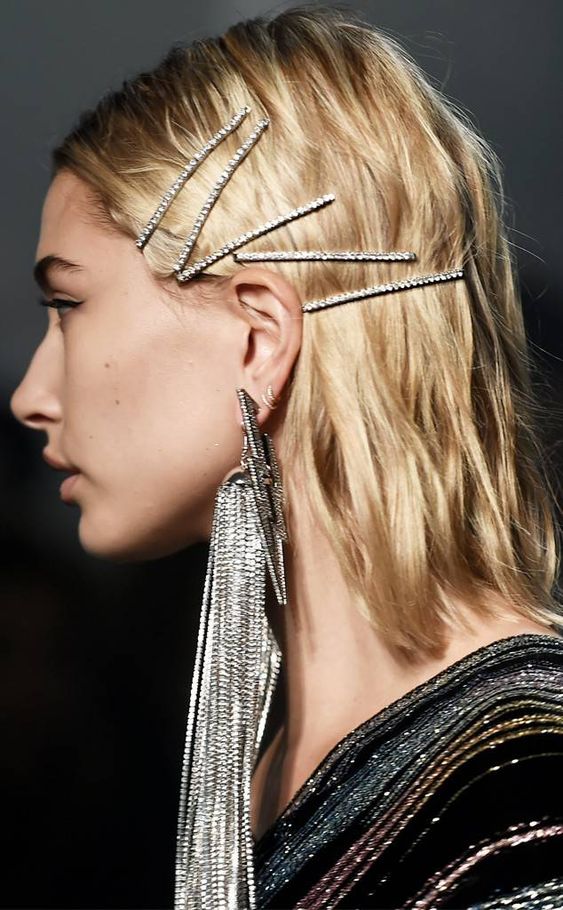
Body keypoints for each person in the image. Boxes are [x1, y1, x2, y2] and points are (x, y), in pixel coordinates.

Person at [10, 4, 563, 908]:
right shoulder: (274, 760)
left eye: (69, 307)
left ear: (258, 339)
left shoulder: (524, 782)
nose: (31, 394)